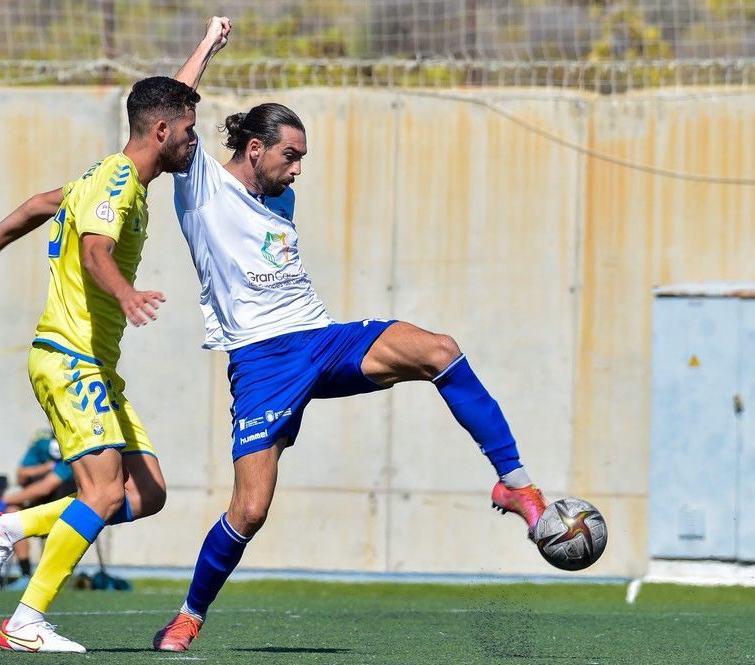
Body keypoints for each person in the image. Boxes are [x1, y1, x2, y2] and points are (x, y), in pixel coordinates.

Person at [151, 103, 549, 652]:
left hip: (321, 338)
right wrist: (209, 44)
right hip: (262, 363)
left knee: (441, 351)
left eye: (302, 159)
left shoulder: (281, 199)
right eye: (291, 157)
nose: (297, 171)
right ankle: (189, 616)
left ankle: (515, 482)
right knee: (250, 510)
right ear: (255, 149)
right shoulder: (201, 187)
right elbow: (173, 105)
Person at [0, 17, 232, 653]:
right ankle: (25, 620)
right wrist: (126, 293)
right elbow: (95, 251)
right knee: (102, 490)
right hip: (71, 358)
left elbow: (40, 204)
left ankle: (2, 526)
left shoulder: (108, 173)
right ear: (162, 133)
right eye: (190, 132)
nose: (195, 142)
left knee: (147, 493)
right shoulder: (117, 184)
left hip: (95, 364)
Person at [0, 429, 76, 591]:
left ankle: (51, 577)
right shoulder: (42, 440)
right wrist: (45, 468)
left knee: (10, 503)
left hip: (67, 511)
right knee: (12, 511)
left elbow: (45, 488)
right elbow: (21, 475)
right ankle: (26, 575)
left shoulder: (74, 444)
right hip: (40, 505)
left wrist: (4, 499)